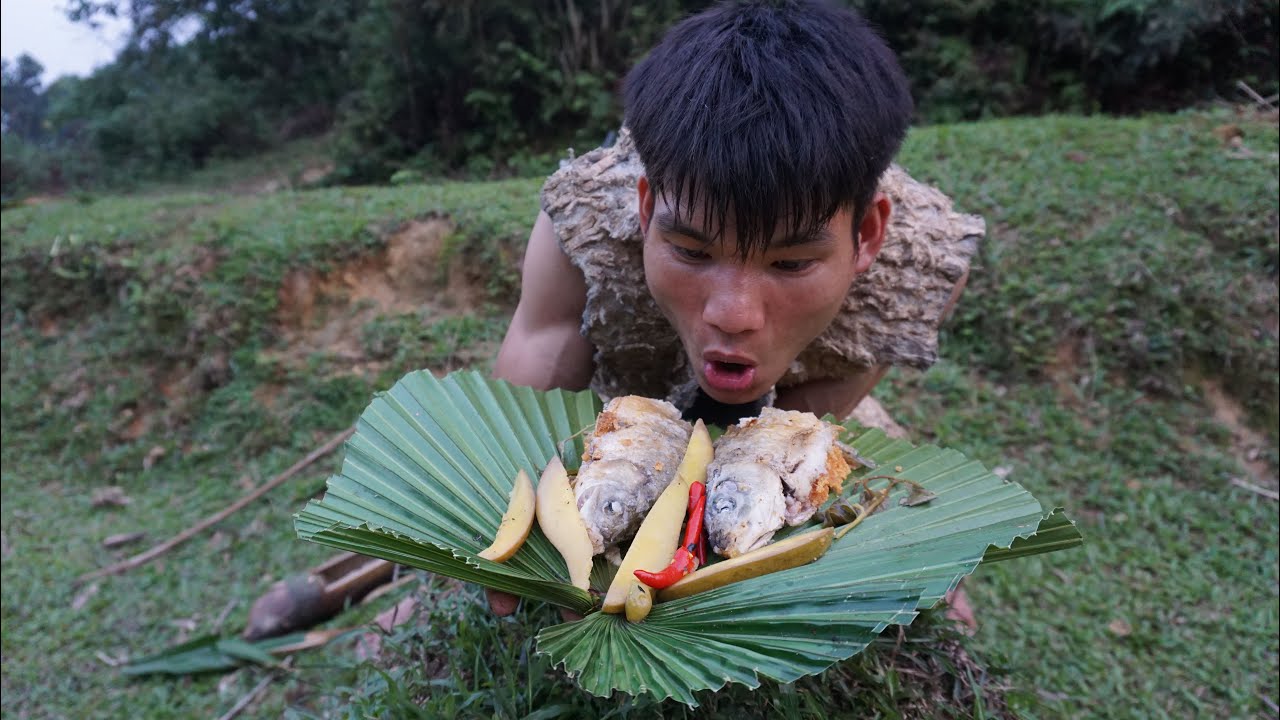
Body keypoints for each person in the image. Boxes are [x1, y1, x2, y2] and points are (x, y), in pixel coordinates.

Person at [488, 0, 983, 624]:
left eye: (790, 263)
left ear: (868, 236)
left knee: (890, 524)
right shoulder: (581, 227)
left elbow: (810, 416)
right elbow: (512, 424)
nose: (733, 314)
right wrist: (505, 539)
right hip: (622, 401)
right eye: (692, 250)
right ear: (645, 211)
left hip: (793, 394)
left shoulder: (924, 264)